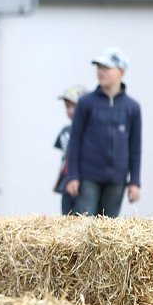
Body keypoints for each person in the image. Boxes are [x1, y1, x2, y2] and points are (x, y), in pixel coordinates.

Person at [65, 47, 141, 217]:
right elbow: (75, 140)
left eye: (106, 68)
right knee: (84, 224)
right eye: (99, 68)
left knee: (108, 231)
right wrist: (73, 176)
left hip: (117, 180)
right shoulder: (86, 103)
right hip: (87, 177)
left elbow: (135, 147)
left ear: (121, 71)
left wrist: (134, 182)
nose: (100, 72)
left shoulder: (132, 108)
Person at [53, 84, 86, 215]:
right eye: (68, 107)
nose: (71, 110)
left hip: (83, 181)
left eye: (74, 106)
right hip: (66, 180)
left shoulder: (90, 132)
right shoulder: (65, 132)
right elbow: (64, 157)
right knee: (66, 215)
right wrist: (60, 178)